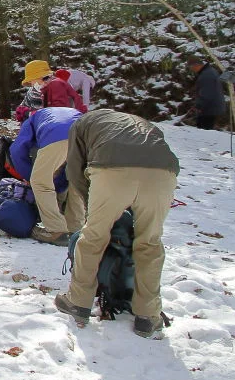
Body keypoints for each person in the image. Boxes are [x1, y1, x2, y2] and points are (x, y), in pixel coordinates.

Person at [53, 109, 180, 338]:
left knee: (93, 237)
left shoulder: (82, 124)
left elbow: (74, 170)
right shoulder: (143, 122)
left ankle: (79, 302)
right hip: (164, 173)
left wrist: (92, 204)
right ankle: (148, 315)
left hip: (111, 169)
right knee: (149, 242)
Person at [9, 106, 85, 245]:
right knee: (76, 183)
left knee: (40, 182)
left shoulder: (31, 120)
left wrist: (29, 176)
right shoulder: (64, 111)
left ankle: (57, 230)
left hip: (57, 136)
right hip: (87, 139)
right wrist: (59, 186)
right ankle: (76, 228)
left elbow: (16, 150)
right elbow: (65, 169)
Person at [21, 59, 86, 113]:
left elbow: (60, 110)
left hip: (71, 118)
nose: (31, 83)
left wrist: (32, 114)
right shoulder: (36, 90)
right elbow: (23, 108)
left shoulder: (57, 86)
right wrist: (22, 112)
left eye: (31, 80)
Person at [187, 56, 226, 129]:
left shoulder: (206, 75)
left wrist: (199, 106)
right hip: (212, 107)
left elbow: (207, 93)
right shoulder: (210, 71)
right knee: (206, 129)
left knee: (204, 131)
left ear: (196, 65)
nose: (192, 70)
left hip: (208, 108)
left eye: (191, 67)